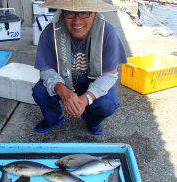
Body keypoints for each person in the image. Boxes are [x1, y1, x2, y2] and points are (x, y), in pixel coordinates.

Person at [32, 0, 127, 135]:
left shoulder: (108, 33)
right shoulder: (51, 31)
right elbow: (46, 69)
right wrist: (63, 91)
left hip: (92, 81)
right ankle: (54, 118)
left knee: (108, 104)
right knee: (40, 92)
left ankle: (92, 120)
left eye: (84, 13)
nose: (76, 21)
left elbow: (110, 74)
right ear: (62, 13)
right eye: (70, 14)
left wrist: (86, 99)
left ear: (95, 13)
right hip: (63, 81)